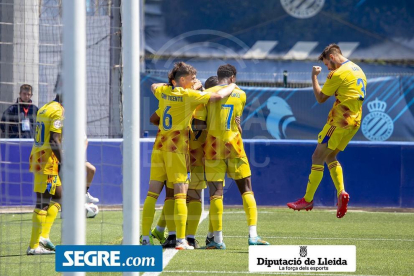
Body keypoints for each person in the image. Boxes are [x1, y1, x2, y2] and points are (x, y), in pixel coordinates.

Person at [141, 61, 237, 250]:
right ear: (184, 80)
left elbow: (154, 92)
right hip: (184, 151)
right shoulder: (192, 97)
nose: (196, 81)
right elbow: (217, 97)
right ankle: (184, 239)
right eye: (193, 79)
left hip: (160, 147)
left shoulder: (167, 93)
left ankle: (148, 237)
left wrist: (173, 85)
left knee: (155, 194)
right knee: (185, 195)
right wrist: (232, 86)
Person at [287, 44, 367, 218]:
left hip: (339, 120)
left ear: (331, 57)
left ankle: (307, 199)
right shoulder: (358, 69)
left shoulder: (337, 73)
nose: (327, 68)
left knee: (317, 157)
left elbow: (321, 98)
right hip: (356, 120)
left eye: (326, 65)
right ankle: (341, 192)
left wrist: (314, 77)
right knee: (330, 156)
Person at [201, 64, 269, 249]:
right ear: (232, 77)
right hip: (235, 144)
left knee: (216, 194)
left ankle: (218, 239)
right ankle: (253, 235)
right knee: (246, 188)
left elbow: (201, 121)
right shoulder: (241, 94)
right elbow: (236, 120)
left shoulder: (208, 94)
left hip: (213, 146)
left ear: (217, 76)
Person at [27, 94, 63, 255]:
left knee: (59, 195)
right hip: (47, 161)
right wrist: (65, 163)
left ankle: (44, 236)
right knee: (43, 202)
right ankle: (34, 246)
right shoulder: (58, 111)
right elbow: (54, 140)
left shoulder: (45, 107)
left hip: (40, 157)